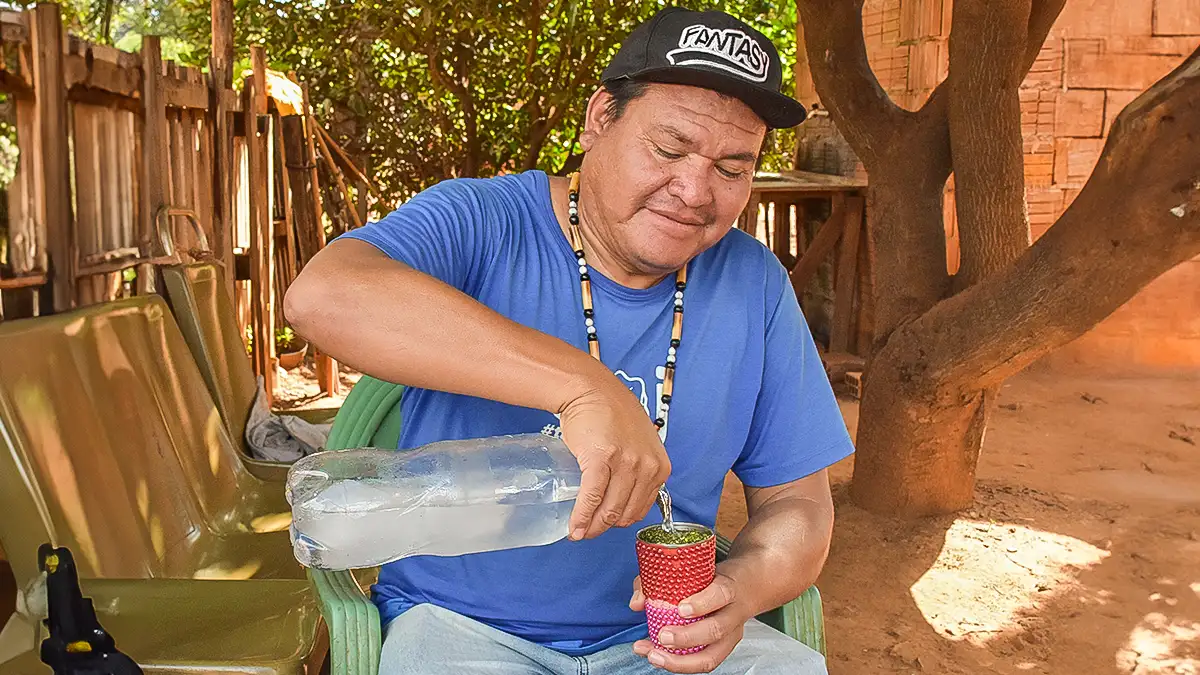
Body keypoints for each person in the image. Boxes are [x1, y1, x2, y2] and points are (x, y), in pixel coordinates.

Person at [285, 7, 854, 674]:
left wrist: (743, 586)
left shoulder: (752, 284)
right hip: (461, 632)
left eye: (733, 166)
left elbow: (799, 503)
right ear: (599, 119)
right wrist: (583, 387)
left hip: (661, 646)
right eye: (669, 149)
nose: (695, 189)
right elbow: (322, 295)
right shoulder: (486, 221)